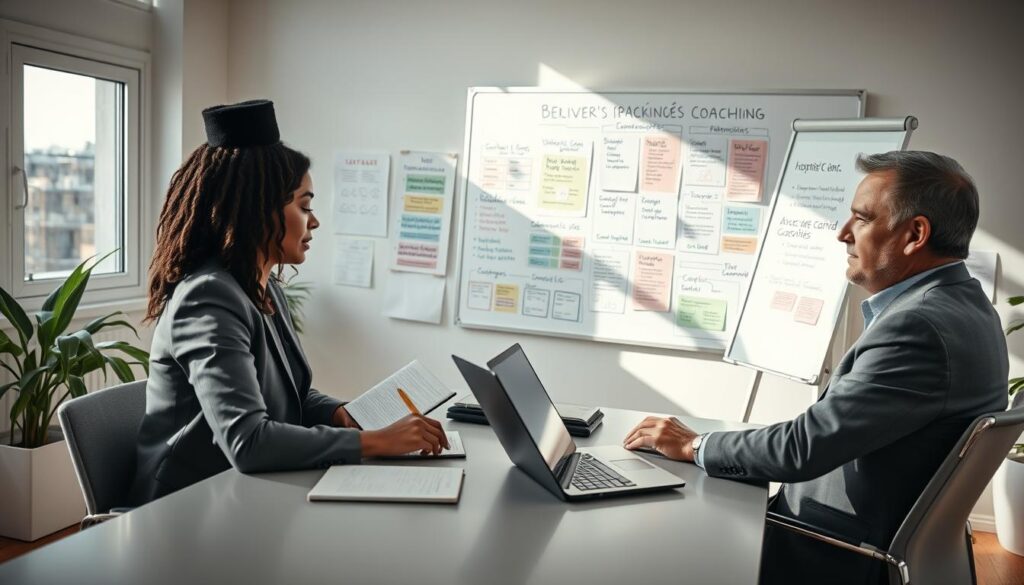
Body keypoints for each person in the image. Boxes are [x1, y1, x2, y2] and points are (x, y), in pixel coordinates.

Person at [623, 151, 1008, 584]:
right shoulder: (970, 305)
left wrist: (696, 447)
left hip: (830, 550)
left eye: (861, 219)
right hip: (870, 536)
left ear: (915, 234)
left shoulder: (917, 325)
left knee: (643, 541)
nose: (843, 233)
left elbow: (802, 449)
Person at [128, 100, 447, 506]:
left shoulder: (262, 287)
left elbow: (289, 396)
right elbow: (249, 442)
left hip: (243, 495)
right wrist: (372, 441)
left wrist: (337, 414)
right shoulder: (207, 298)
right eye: (304, 205)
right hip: (182, 508)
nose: (314, 221)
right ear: (258, 209)